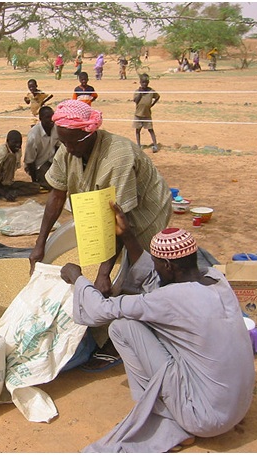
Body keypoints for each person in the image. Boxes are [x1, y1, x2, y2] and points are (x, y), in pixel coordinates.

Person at [60, 204, 255, 453]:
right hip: (237, 407)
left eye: (157, 263)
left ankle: (161, 414)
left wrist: (77, 278)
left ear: (169, 266)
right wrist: (127, 235)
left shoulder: (171, 299)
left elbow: (100, 310)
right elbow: (158, 284)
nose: (155, 269)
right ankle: (172, 409)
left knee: (122, 327)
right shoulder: (216, 280)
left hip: (205, 418)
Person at [29, 99, 172, 369]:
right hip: (103, 212)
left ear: (90, 133)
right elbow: (56, 196)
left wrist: (104, 272)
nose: (68, 149)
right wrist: (40, 244)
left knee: (136, 272)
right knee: (109, 268)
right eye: (64, 143)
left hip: (142, 212)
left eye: (73, 143)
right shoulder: (68, 149)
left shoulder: (118, 157)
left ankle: (123, 336)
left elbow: (121, 220)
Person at [0, 130, 41, 205]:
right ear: (7, 141)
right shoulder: (0, 152)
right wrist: (5, 194)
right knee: (11, 157)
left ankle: (3, 192)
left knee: (35, 187)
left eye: (20, 142)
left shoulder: (18, 151)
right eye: (14, 142)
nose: (18, 145)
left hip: (7, 184)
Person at [24, 106, 60, 190]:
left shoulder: (56, 128)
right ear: (40, 118)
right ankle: (40, 181)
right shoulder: (33, 136)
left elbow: (59, 146)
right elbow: (30, 161)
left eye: (52, 116)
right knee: (53, 185)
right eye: (48, 117)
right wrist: (34, 180)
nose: (51, 119)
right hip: (38, 166)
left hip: (51, 161)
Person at [133, 73, 160, 153]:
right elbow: (135, 101)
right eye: (143, 82)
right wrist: (140, 94)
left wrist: (152, 105)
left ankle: (155, 145)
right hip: (138, 114)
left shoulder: (151, 91)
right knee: (137, 130)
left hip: (147, 114)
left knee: (150, 129)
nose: (144, 84)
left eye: (146, 82)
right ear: (140, 82)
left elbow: (157, 96)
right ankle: (138, 145)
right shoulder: (137, 91)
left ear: (148, 82)